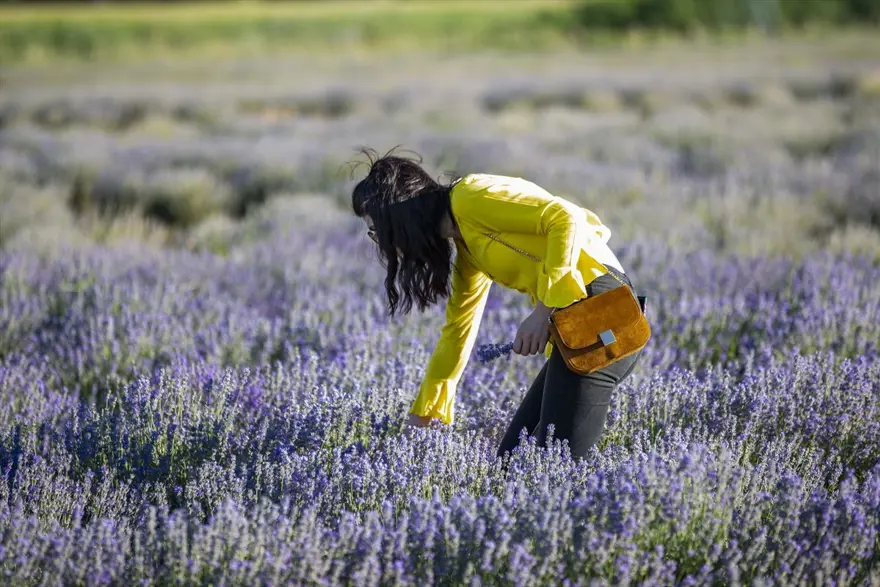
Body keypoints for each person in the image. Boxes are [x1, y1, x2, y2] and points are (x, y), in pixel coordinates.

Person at [350, 147, 644, 460]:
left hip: (602, 310)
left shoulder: (470, 197)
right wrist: (425, 414)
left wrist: (542, 312)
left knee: (554, 465)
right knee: (511, 463)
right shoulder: (468, 250)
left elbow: (564, 218)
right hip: (577, 323)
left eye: (375, 229)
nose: (379, 241)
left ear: (397, 219)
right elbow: (457, 333)